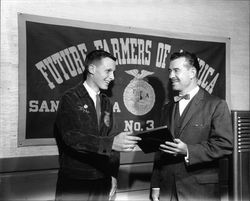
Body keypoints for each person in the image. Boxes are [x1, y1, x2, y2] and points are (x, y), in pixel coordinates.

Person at [54, 49, 141, 201]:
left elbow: (111, 137)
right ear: (92, 69)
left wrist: (113, 174)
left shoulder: (106, 102)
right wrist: (111, 143)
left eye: (113, 72)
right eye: (108, 71)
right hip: (76, 181)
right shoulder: (70, 98)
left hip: (103, 179)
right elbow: (72, 138)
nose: (112, 77)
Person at [150, 51, 233, 201]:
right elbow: (160, 150)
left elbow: (225, 145)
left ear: (192, 72)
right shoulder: (166, 108)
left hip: (200, 191)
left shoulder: (216, 105)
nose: (170, 76)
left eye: (176, 70)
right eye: (170, 71)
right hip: (167, 189)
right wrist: (155, 185)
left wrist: (188, 150)